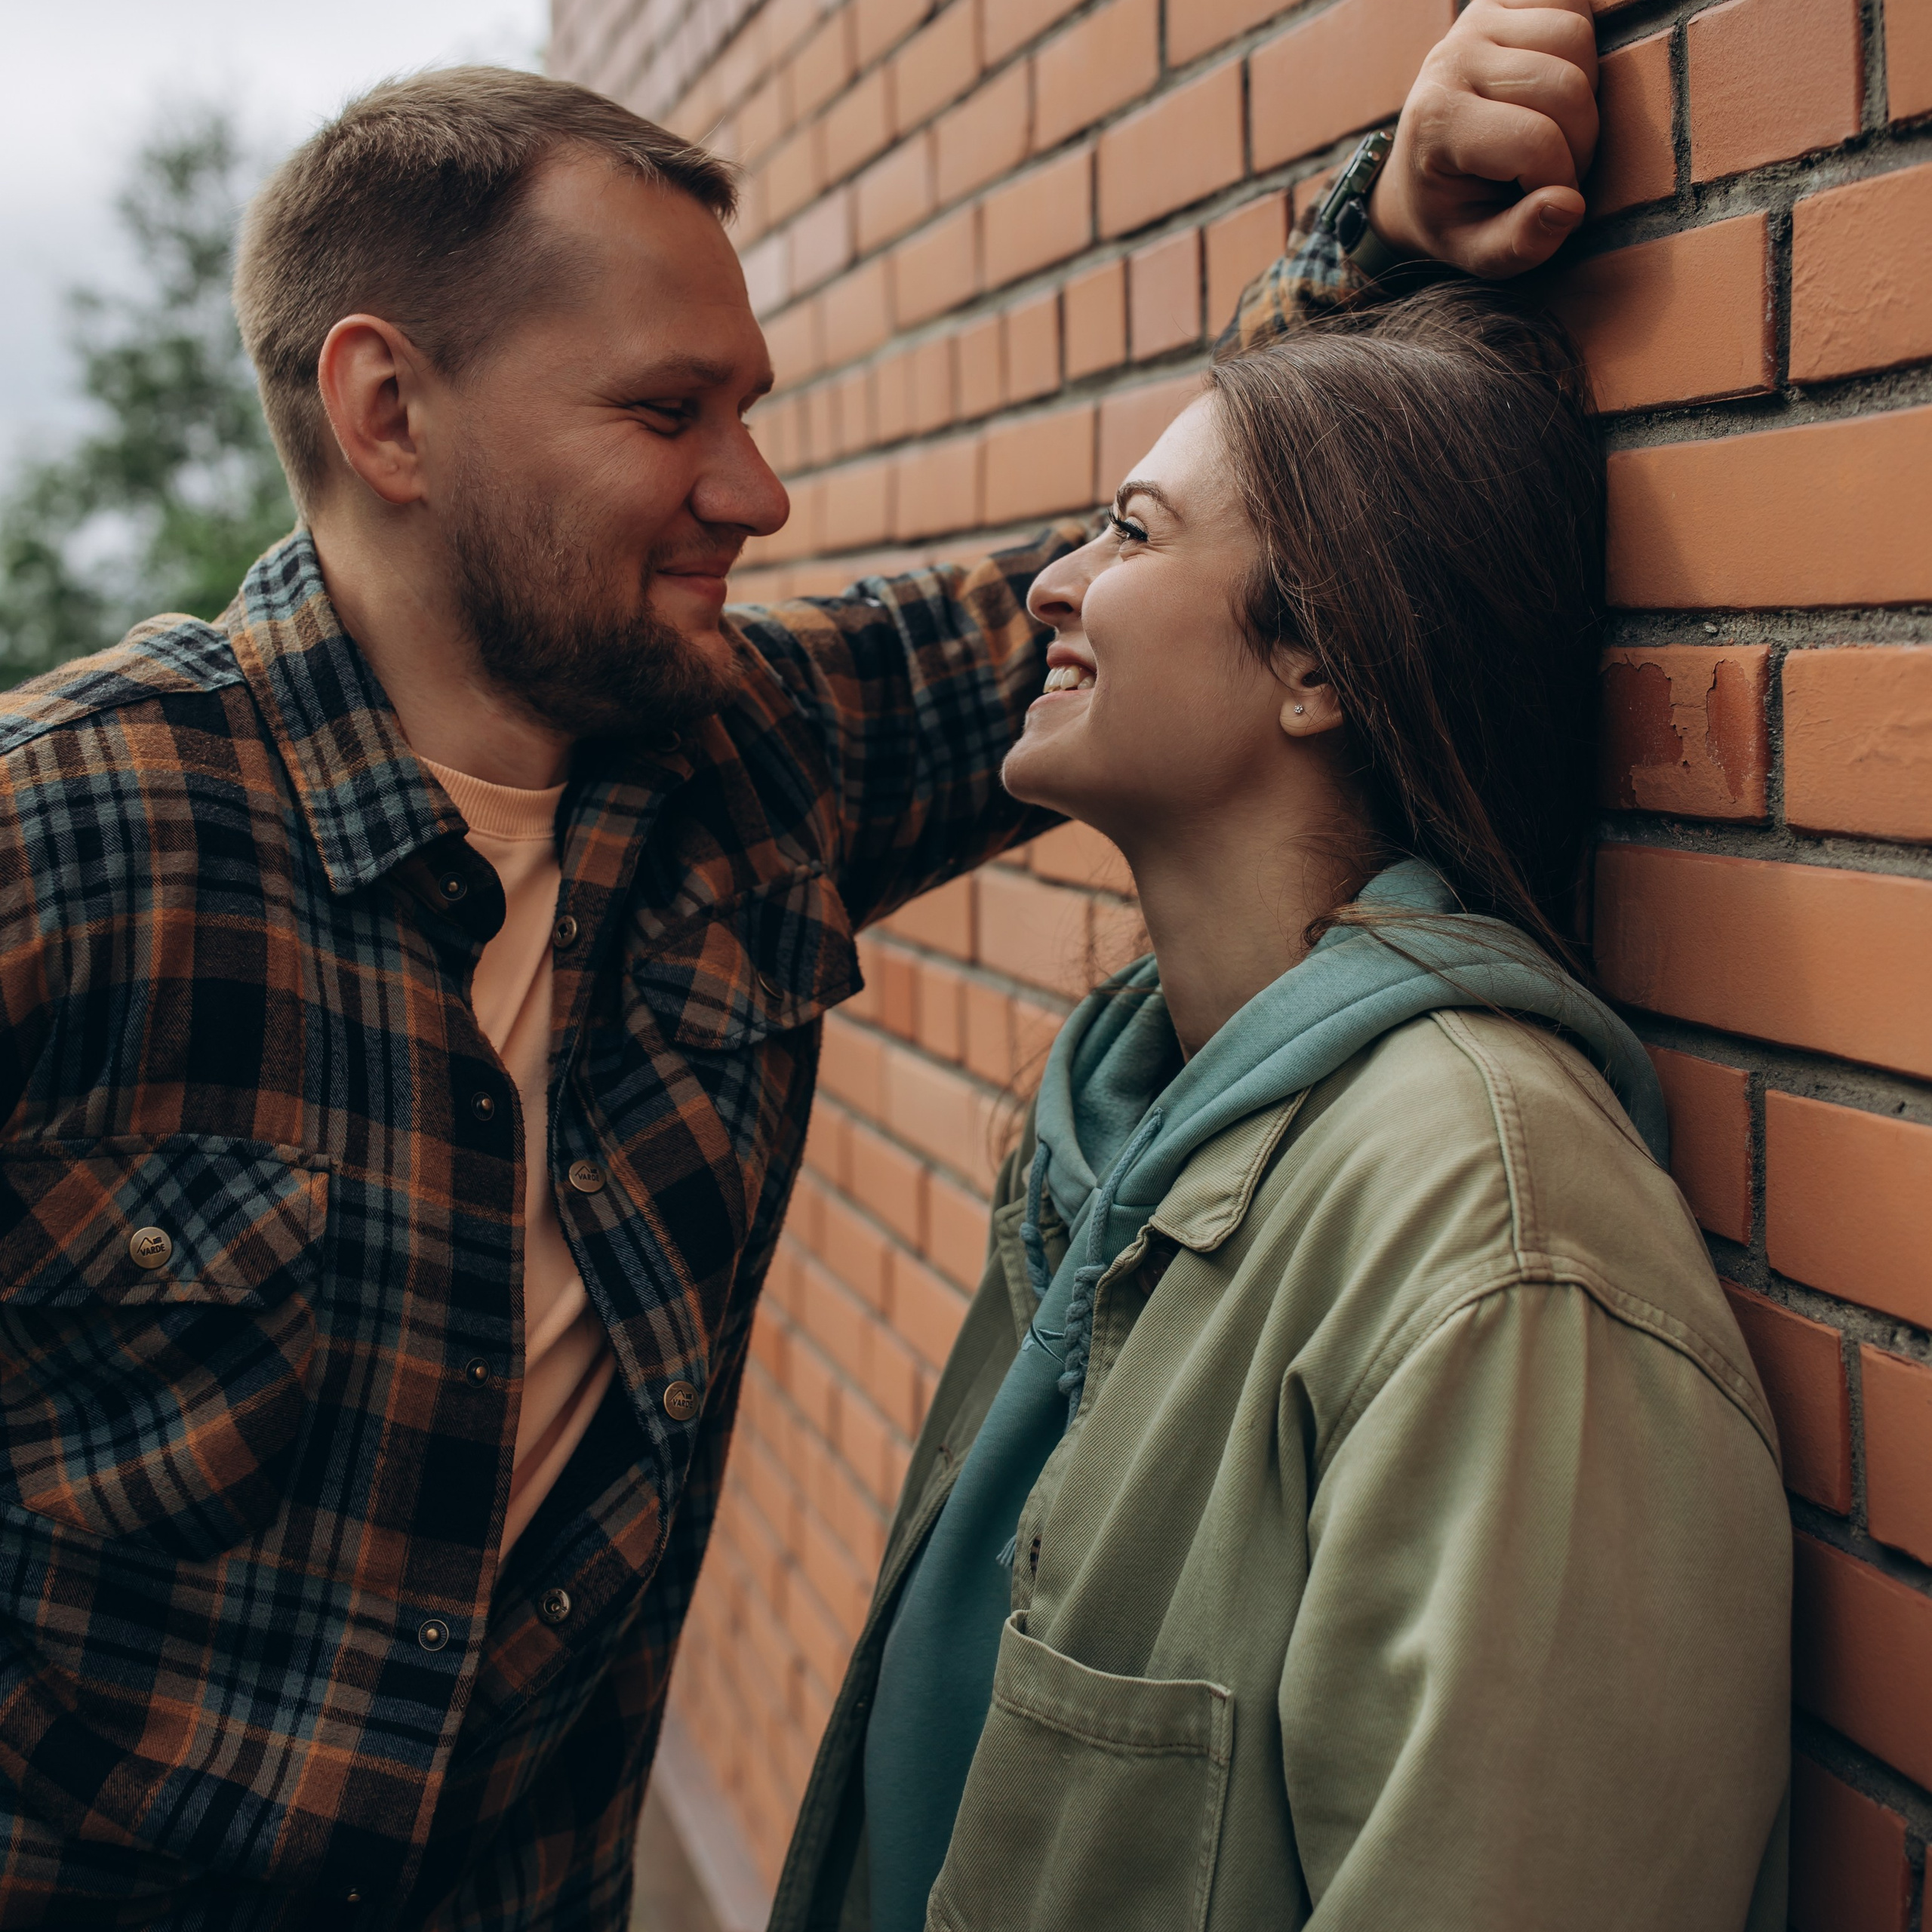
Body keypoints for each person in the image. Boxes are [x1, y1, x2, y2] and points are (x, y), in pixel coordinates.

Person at [0, 6, 1654, 1928]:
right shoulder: (68, 831)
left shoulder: (742, 761)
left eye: (750, 408)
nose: (755, 491)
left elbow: (1179, 588)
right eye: (666, 412)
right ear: (387, 414)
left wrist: (1384, 229)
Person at [767, 24, 1792, 1932]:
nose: (1049, 585)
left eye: (1125, 532)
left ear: (1315, 664)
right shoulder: (1121, 1125)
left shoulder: (1484, 1226)